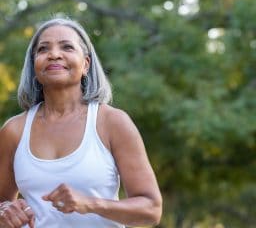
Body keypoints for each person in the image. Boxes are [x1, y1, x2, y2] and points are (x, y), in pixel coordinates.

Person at [0, 17, 162, 228]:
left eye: (67, 47)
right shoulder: (14, 130)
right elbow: (2, 203)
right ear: (34, 66)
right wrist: (5, 212)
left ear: (85, 64)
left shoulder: (112, 122)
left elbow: (151, 210)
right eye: (43, 49)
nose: (54, 54)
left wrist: (91, 204)